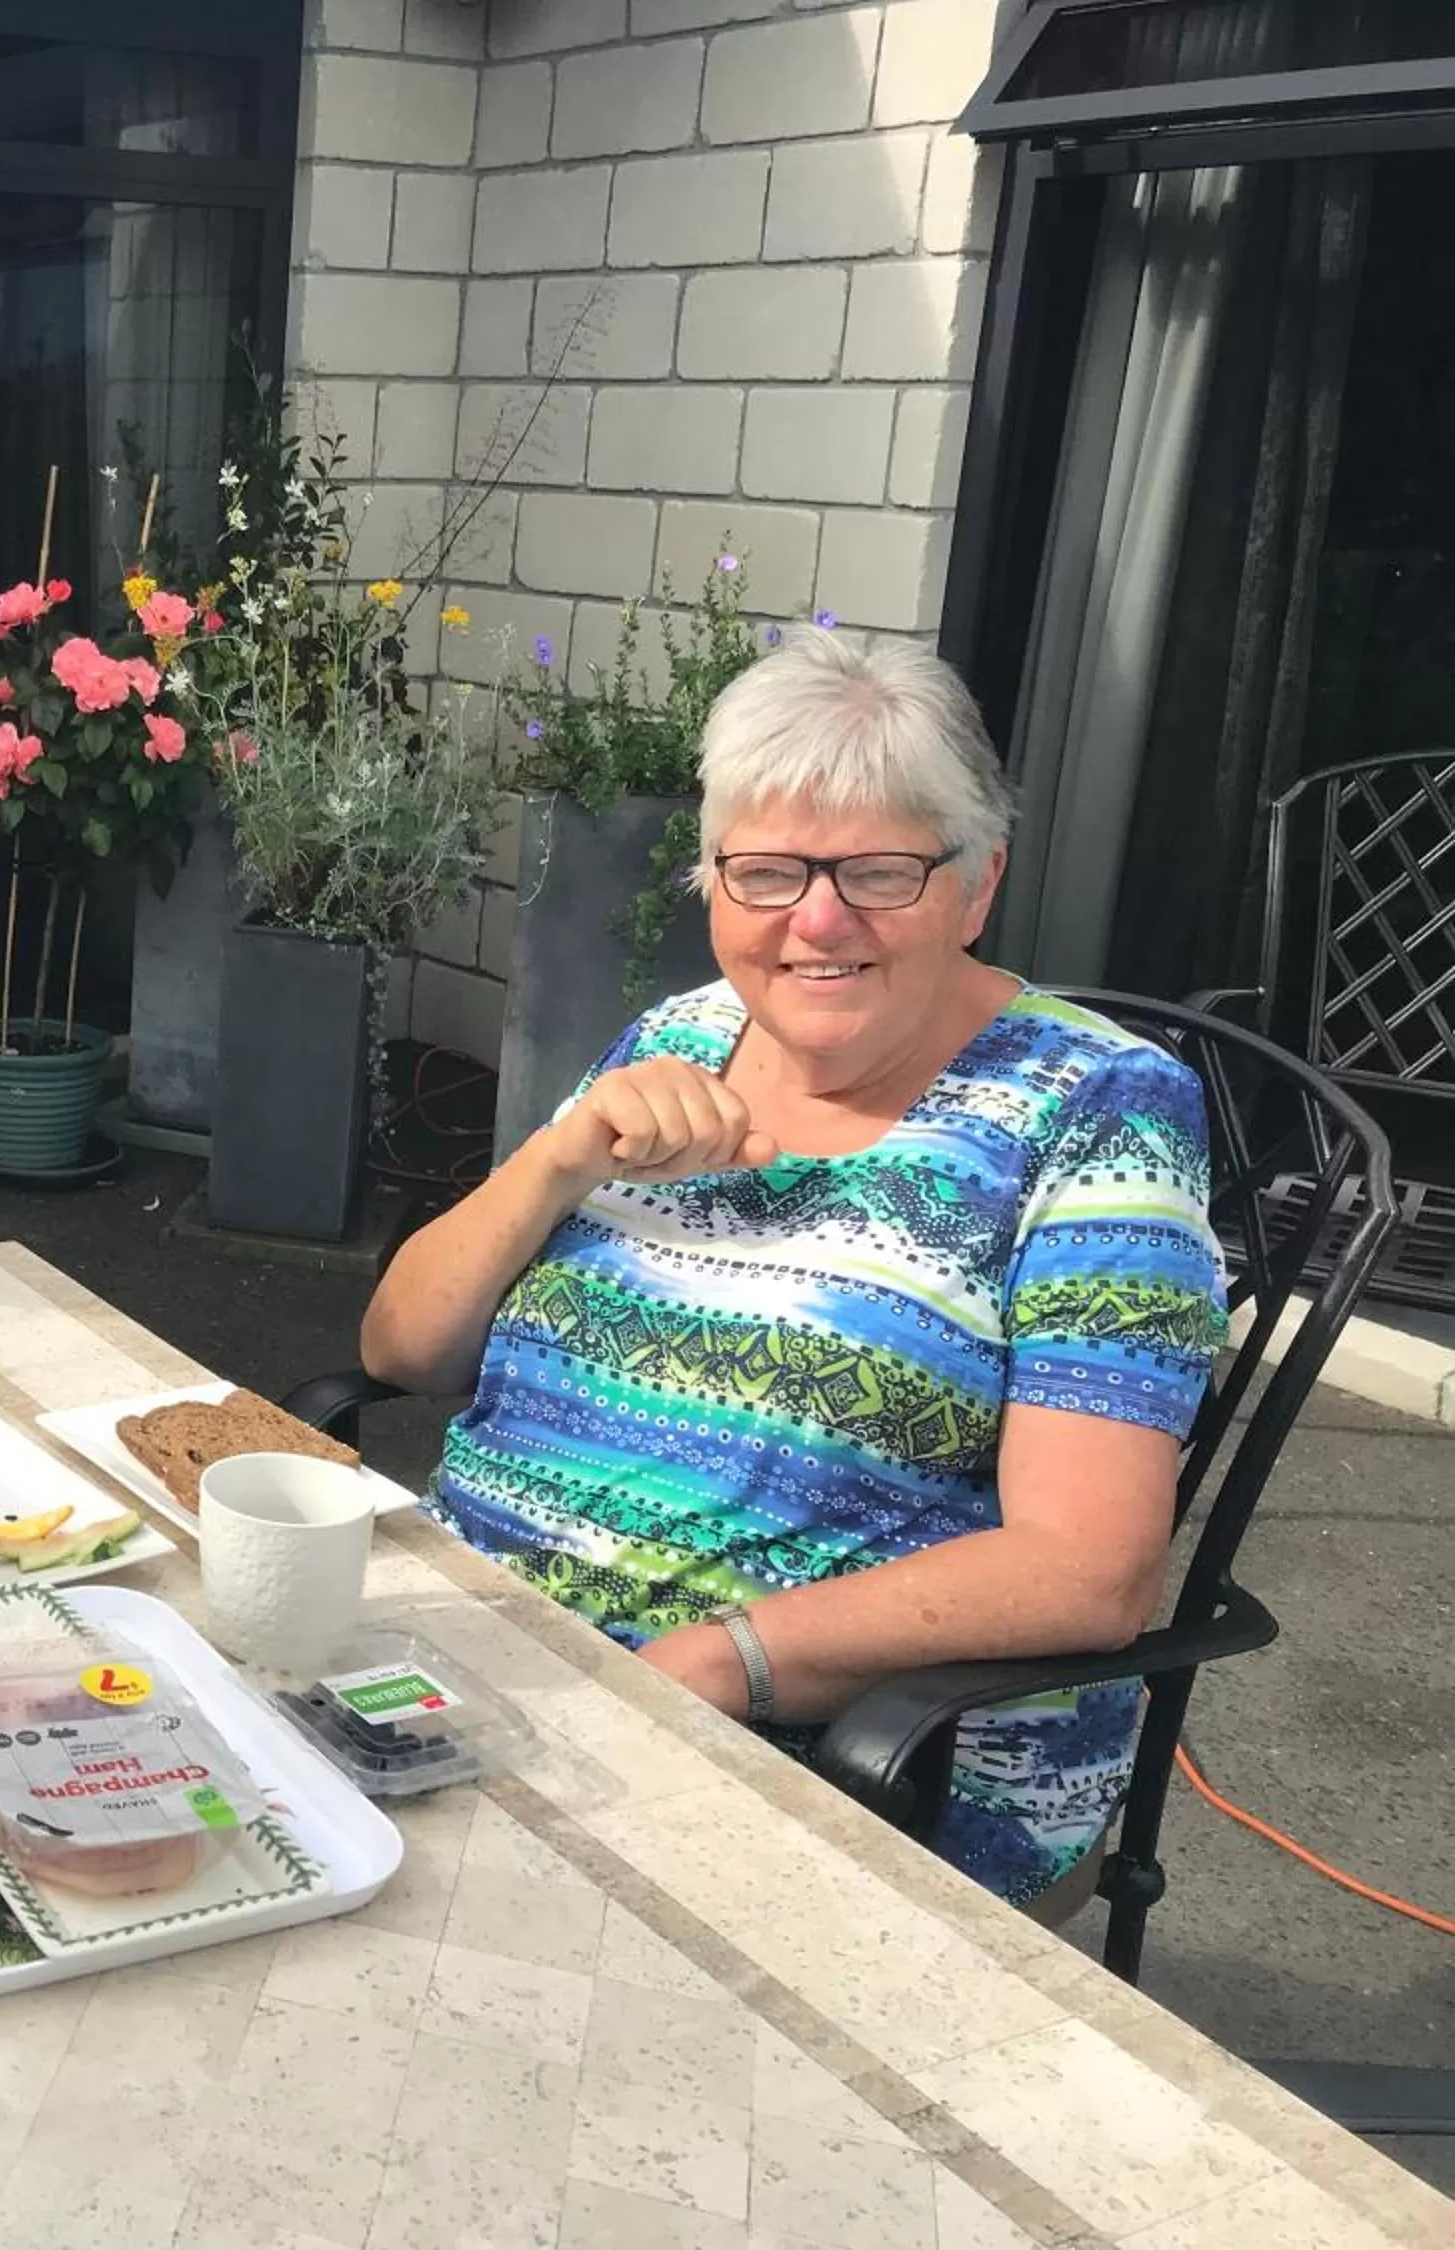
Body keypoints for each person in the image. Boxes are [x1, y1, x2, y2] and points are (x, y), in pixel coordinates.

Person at [360, 630, 1227, 1910]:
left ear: (975, 886)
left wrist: (722, 1664)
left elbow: (1085, 1569)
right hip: (486, 1666)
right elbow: (400, 1353)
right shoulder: (683, 1034)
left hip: (840, 1750)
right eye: (765, 873)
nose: (815, 922)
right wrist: (558, 1160)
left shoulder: (1094, 1110)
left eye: (879, 871)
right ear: (714, 883)